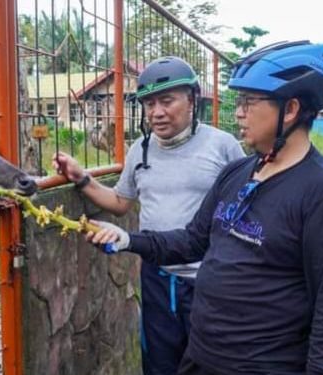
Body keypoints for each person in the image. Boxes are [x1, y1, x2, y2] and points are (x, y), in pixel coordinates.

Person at [86, 41, 323, 374]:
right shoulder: (238, 173)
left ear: (289, 110)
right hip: (202, 359)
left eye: (248, 102)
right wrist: (129, 240)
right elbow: (192, 241)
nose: (238, 113)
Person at [53, 56, 245, 375]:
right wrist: (81, 177)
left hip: (211, 283)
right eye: (148, 103)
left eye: (167, 101)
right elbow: (119, 201)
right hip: (157, 280)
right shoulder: (140, 149)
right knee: (159, 365)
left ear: (192, 99)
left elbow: (245, 212)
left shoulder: (223, 147)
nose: (156, 112)